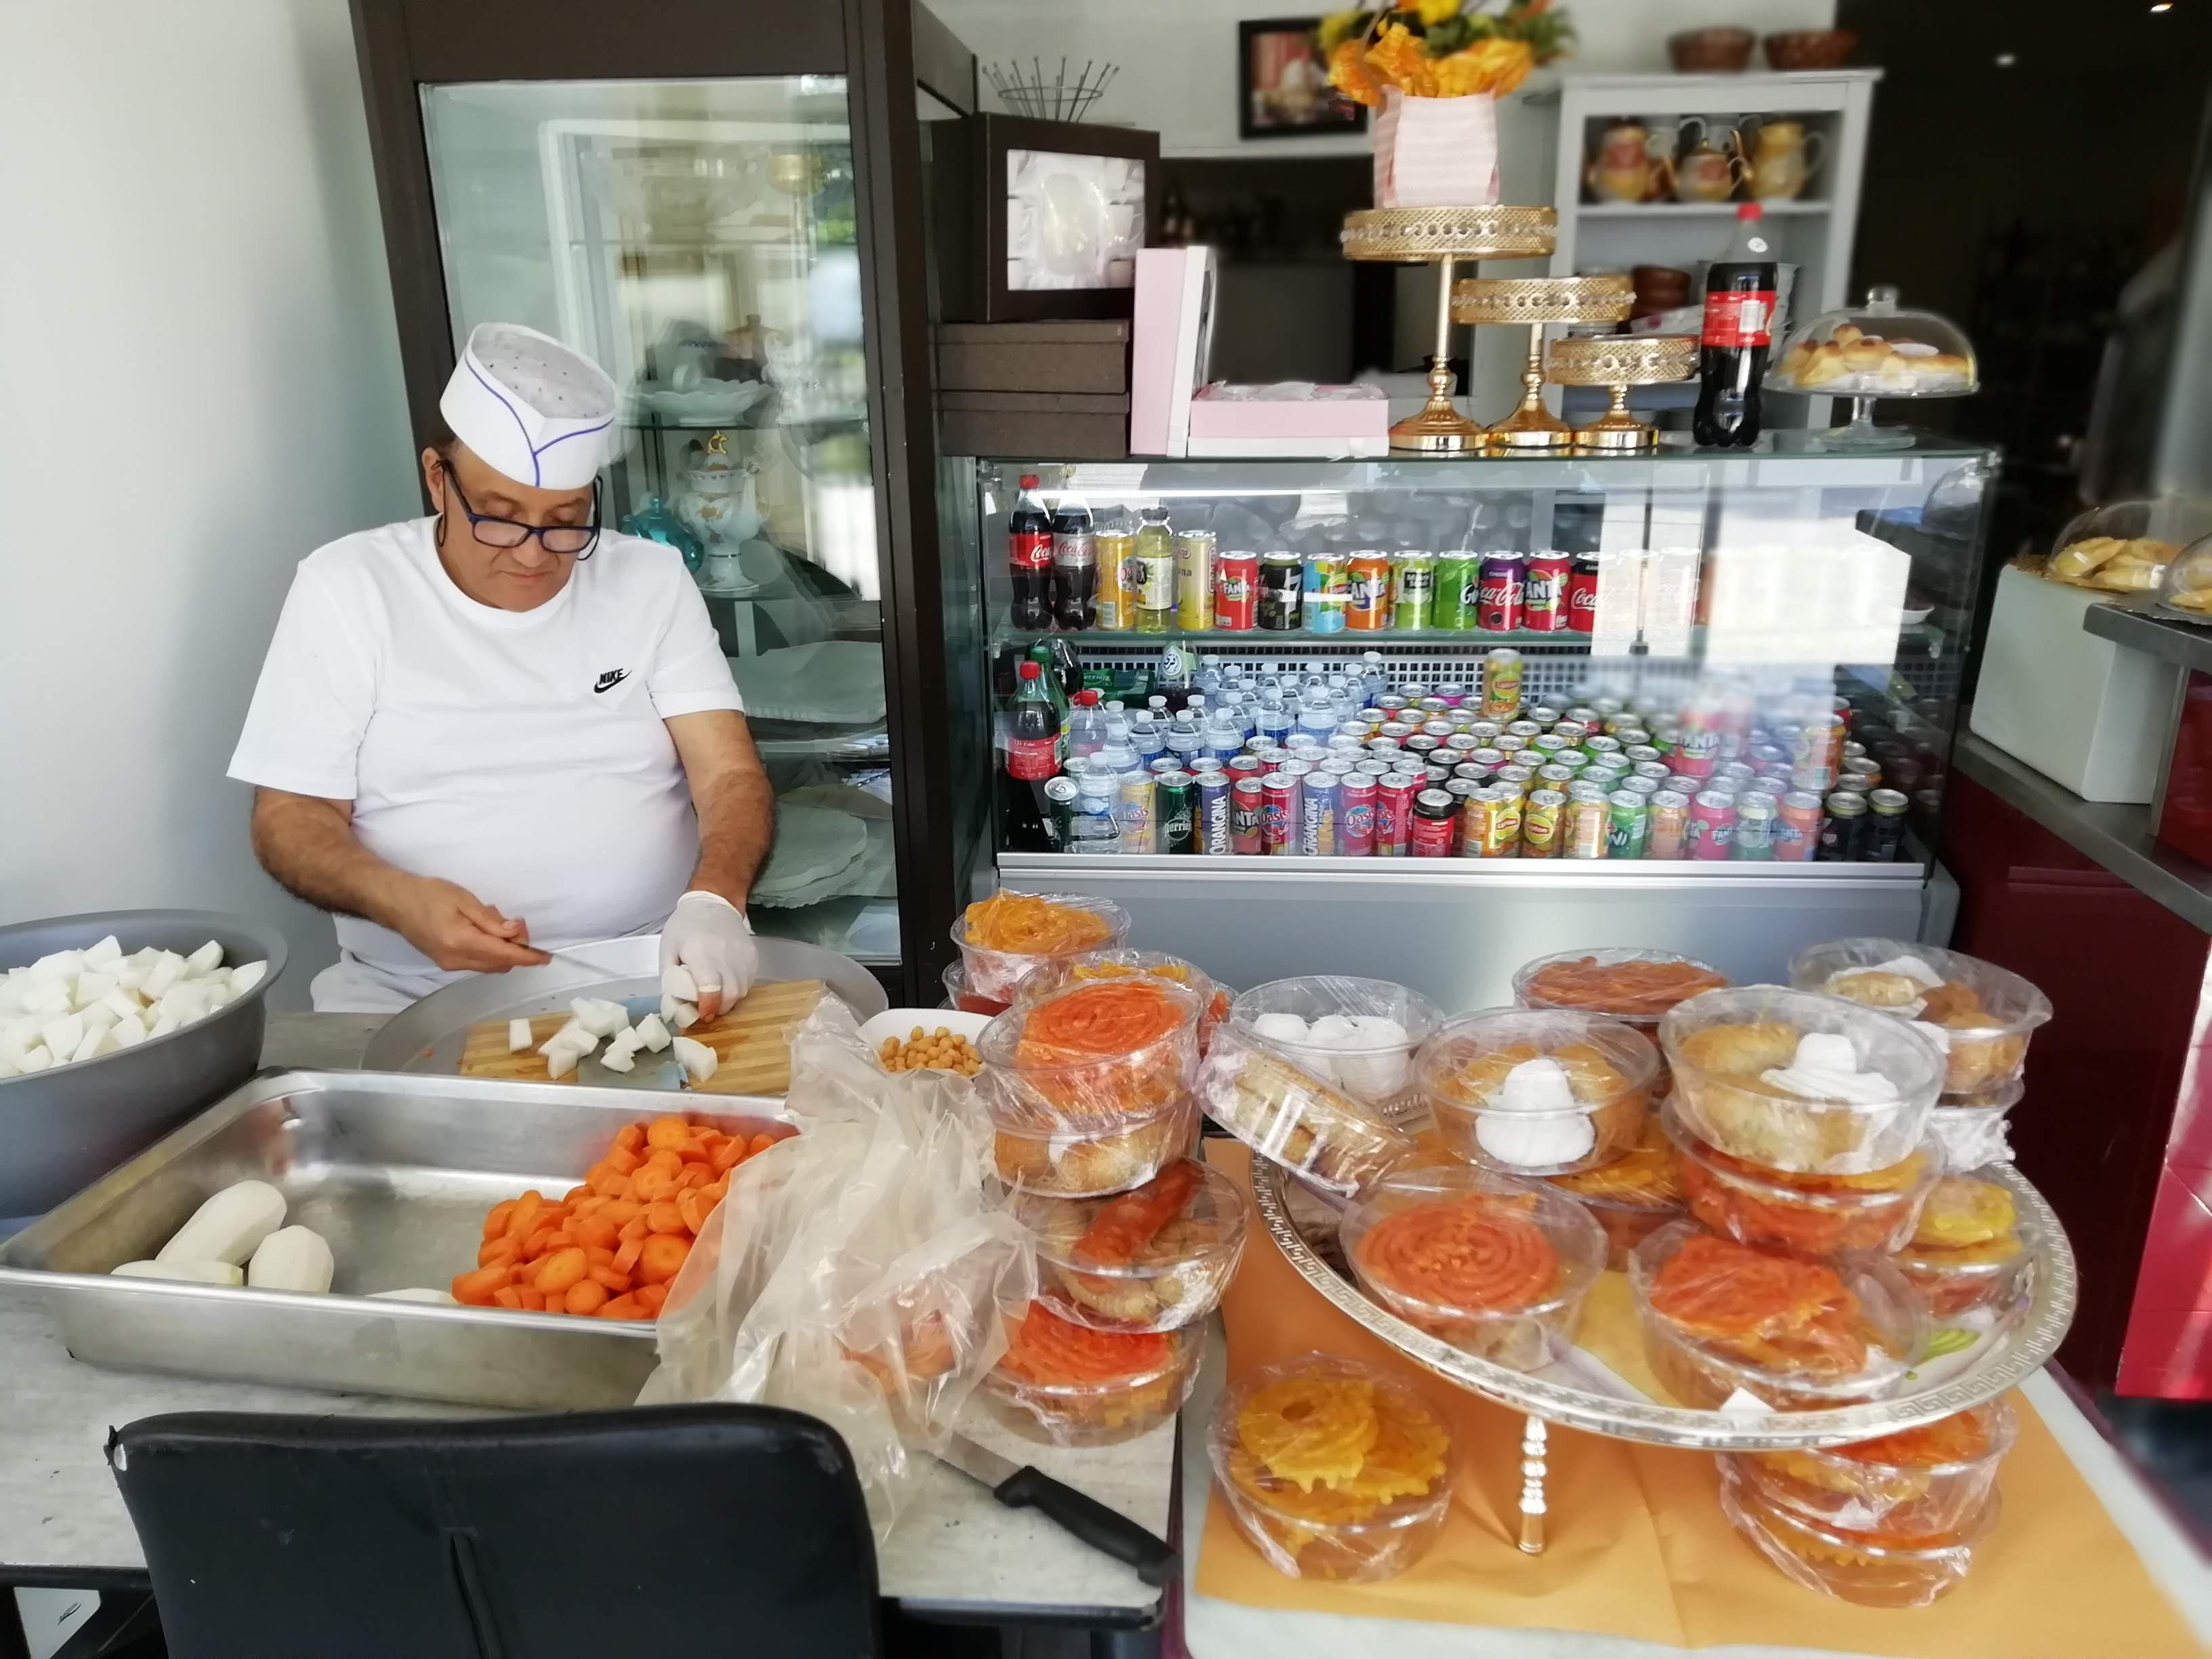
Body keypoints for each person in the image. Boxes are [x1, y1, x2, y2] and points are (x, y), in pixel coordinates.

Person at [229, 323, 775, 1015]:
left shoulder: (650, 579)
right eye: (499, 517)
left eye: (565, 521)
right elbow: (289, 814)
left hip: (651, 971)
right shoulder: (348, 588)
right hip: (410, 992)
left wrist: (715, 902)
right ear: (438, 479)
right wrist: (397, 900)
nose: (531, 554)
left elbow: (727, 774)